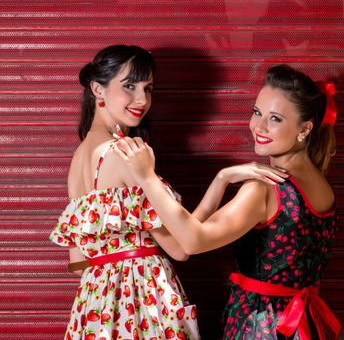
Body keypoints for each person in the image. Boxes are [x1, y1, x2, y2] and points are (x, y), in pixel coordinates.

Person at [48, 45, 287, 340]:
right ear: (98, 89)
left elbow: (78, 262)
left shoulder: (80, 157)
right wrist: (222, 180)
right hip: (141, 301)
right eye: (129, 86)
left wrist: (109, 285)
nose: (142, 99)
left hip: (94, 307)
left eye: (148, 88)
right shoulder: (127, 154)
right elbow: (181, 248)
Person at [114, 64, 341, 339]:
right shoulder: (321, 183)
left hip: (262, 327)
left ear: (304, 129)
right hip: (304, 326)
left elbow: (192, 241)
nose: (259, 126)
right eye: (257, 112)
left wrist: (146, 177)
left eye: (276, 118)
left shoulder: (264, 189)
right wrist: (223, 178)